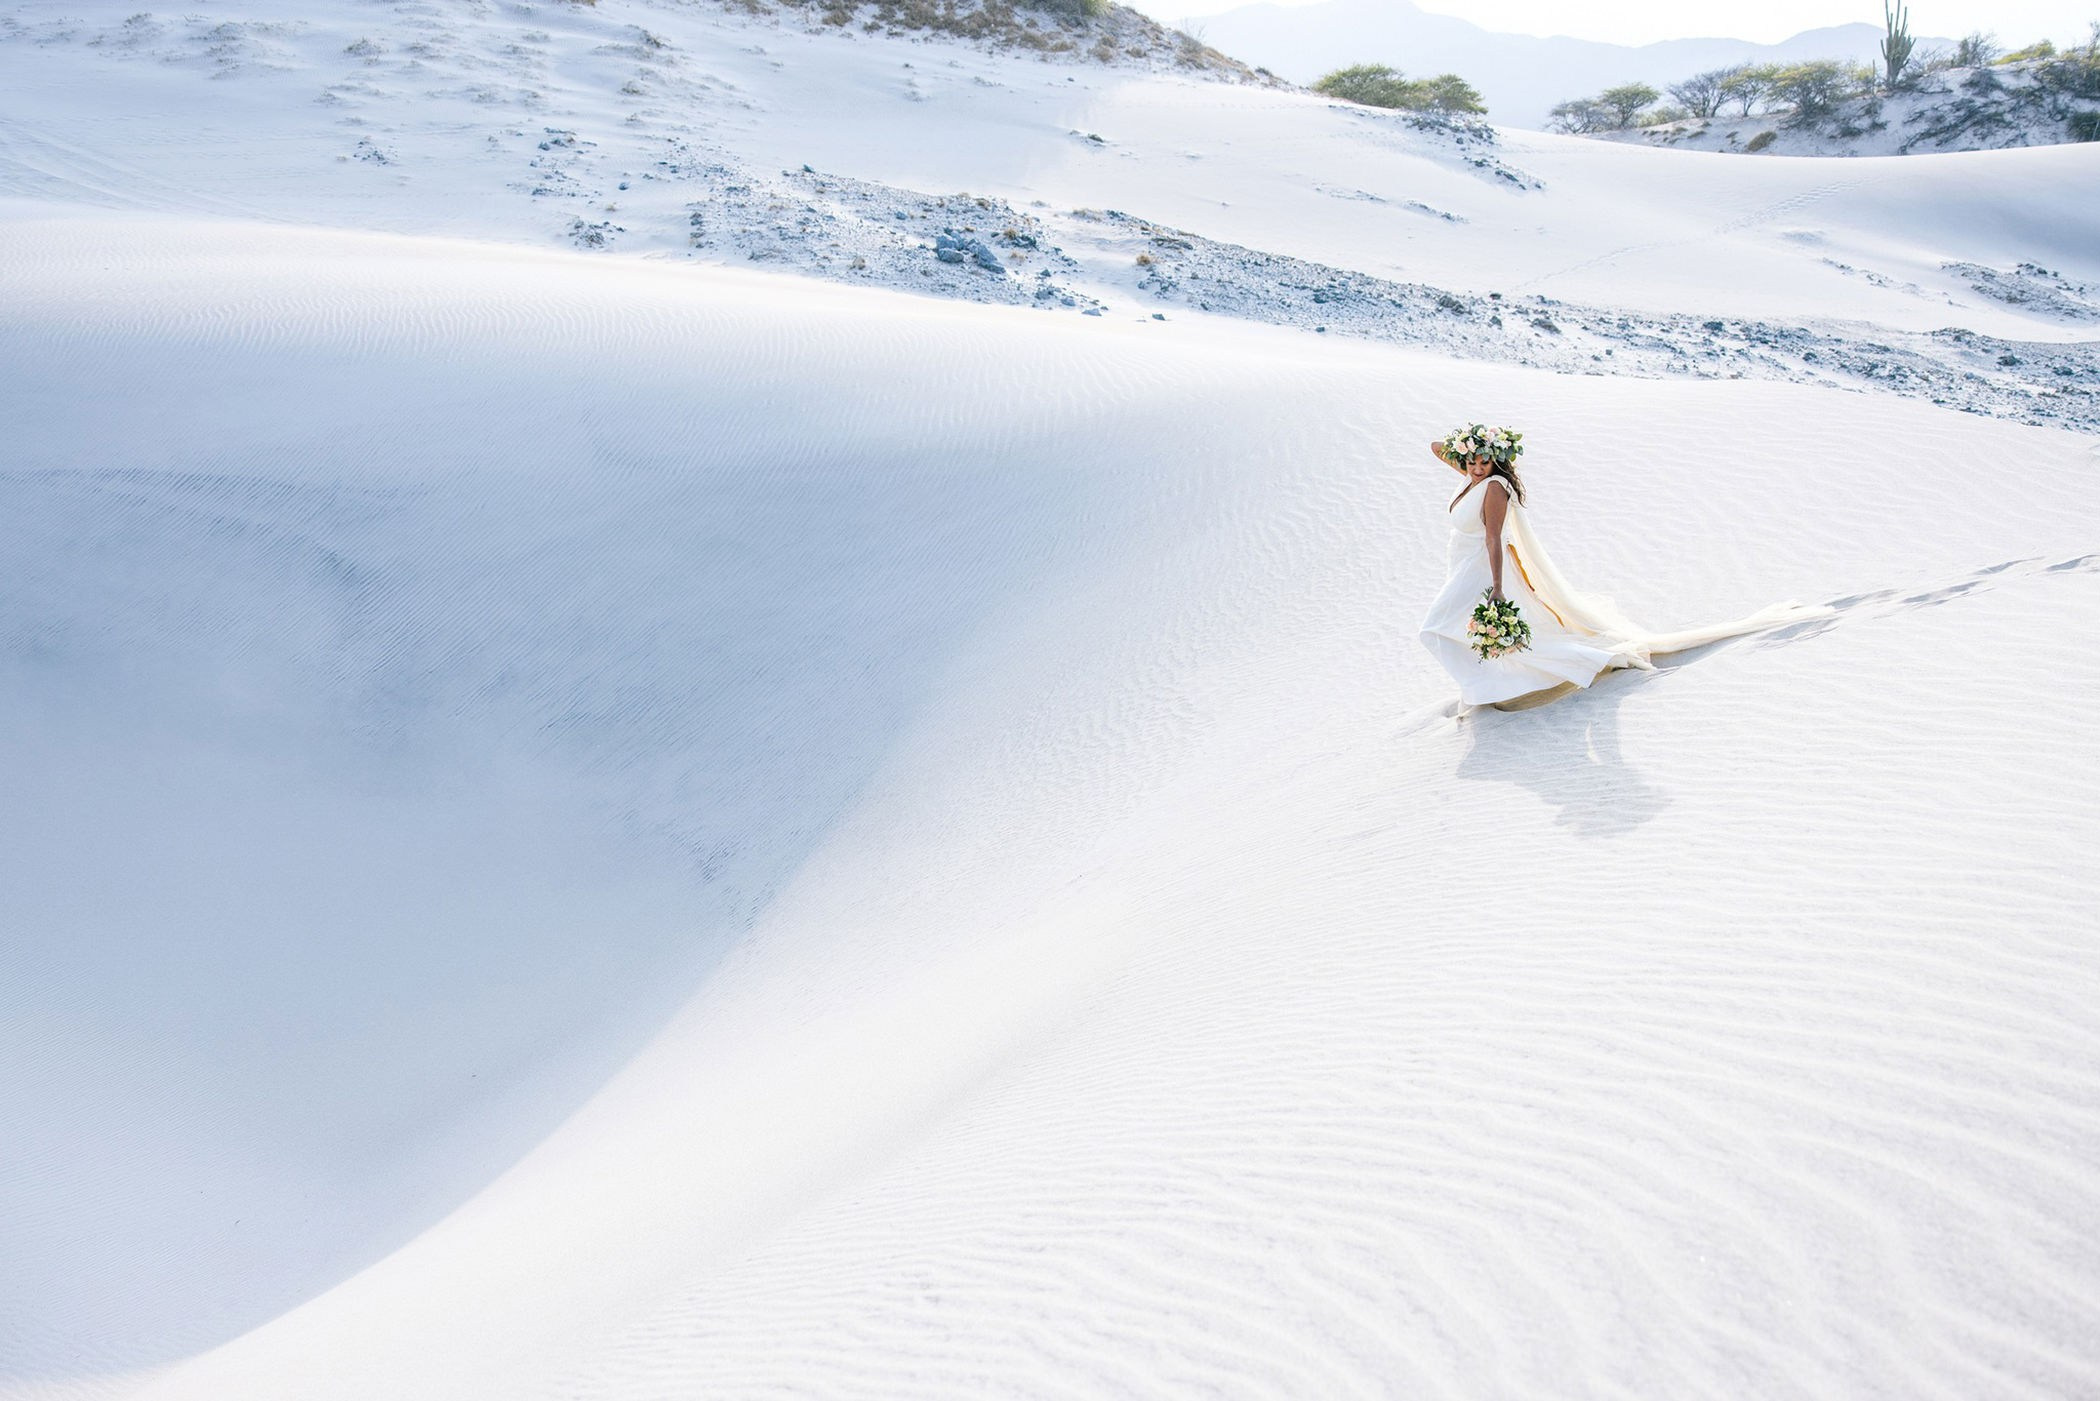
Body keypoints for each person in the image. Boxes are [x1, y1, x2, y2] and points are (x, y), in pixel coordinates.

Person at [1418, 428, 1822, 709]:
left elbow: (1493, 539)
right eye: (1471, 459)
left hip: (1481, 568)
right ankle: (1488, 686)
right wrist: (1470, 443)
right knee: (1457, 629)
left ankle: (1538, 672)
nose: (1476, 465)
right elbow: (1437, 447)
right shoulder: (1471, 475)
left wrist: (1497, 586)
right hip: (1461, 564)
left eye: (1486, 460)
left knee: (1434, 628)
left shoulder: (1492, 488)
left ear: (1496, 463)